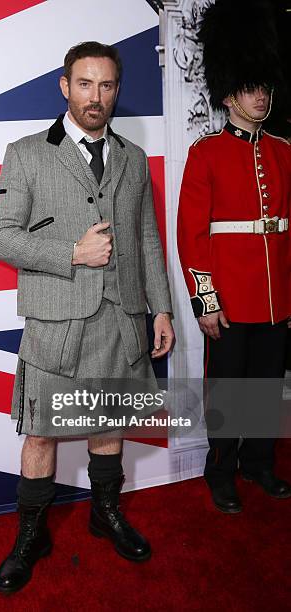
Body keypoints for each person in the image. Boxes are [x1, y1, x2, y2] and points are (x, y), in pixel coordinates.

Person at [0, 41, 174, 594]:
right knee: (41, 434)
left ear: (118, 90)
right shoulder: (25, 152)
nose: (97, 97)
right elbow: (0, 237)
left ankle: (103, 513)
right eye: (85, 84)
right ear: (65, 87)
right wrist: (72, 252)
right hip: (56, 323)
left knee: (108, 424)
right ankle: (32, 536)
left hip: (120, 318)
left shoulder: (134, 158)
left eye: (107, 85)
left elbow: (145, 238)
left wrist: (159, 307)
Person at [177, 0, 291, 514]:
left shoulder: (285, 152)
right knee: (226, 390)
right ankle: (220, 469)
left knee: (267, 386)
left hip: (276, 297)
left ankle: (259, 463)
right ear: (228, 95)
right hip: (230, 293)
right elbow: (191, 236)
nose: (261, 96)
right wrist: (206, 299)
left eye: (264, 87)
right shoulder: (206, 154)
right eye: (251, 88)